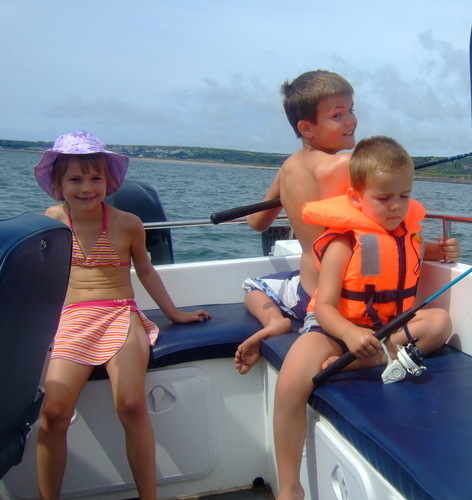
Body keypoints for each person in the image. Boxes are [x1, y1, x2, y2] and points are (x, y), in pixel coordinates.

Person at [273, 135, 460, 500]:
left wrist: (442, 249)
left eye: (404, 196)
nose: (396, 207)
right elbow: (324, 306)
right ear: (357, 198)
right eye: (384, 198)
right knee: (290, 386)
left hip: (386, 329)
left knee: (439, 324)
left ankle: (360, 361)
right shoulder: (343, 243)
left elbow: (417, 252)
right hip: (334, 329)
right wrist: (348, 331)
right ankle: (289, 485)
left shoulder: (409, 233)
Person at [34, 130, 210, 500]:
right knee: (53, 414)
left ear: (108, 181)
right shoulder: (51, 220)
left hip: (119, 314)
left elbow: (145, 270)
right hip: (71, 320)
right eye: (76, 179)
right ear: (58, 183)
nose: (86, 187)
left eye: (95, 178)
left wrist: (174, 314)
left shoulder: (127, 223)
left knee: (130, 404)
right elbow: (37, 275)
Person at [235, 70, 357, 374]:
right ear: (307, 128)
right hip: (339, 299)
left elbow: (257, 222)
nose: (351, 121)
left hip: (306, 292)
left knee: (253, 287)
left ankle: (275, 321)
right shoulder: (344, 164)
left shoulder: (287, 168)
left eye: (352, 110)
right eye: (338, 115)